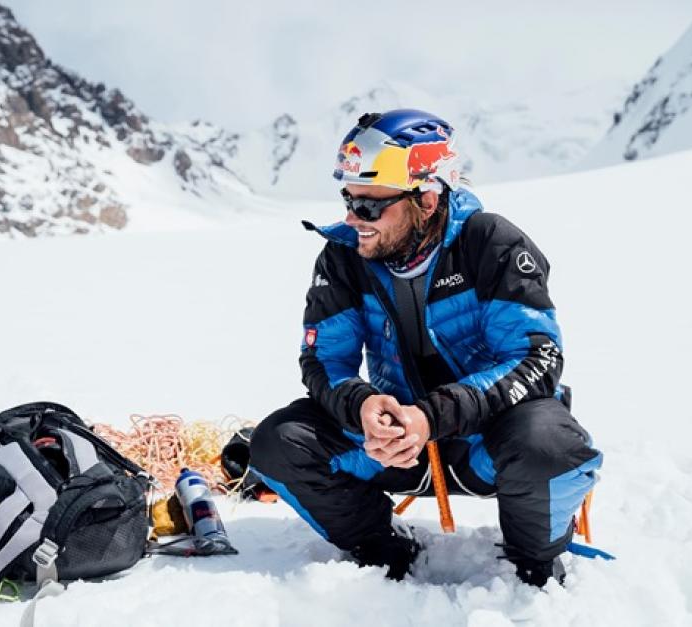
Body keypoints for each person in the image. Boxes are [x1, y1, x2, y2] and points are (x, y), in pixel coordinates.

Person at [248, 109, 603, 587]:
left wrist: (430, 416)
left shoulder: (490, 243)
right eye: (349, 199)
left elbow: (534, 359)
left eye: (371, 206)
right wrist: (364, 406)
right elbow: (323, 360)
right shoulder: (343, 257)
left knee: (549, 445)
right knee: (278, 442)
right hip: (396, 447)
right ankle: (384, 549)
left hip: (488, 443)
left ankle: (530, 566)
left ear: (428, 199)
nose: (354, 219)